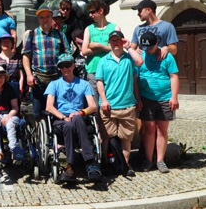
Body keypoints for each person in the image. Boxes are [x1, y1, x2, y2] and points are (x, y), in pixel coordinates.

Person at [45, 53, 101, 182]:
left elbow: (93, 106)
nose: (65, 68)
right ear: (59, 68)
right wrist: (64, 117)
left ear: (73, 66)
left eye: (68, 65)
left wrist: (80, 113)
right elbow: (49, 107)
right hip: (61, 120)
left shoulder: (84, 84)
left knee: (76, 119)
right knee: (69, 124)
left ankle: (73, 167)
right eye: (62, 66)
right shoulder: (54, 84)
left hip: (79, 118)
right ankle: (87, 163)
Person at [95, 30, 143, 176]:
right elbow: (99, 82)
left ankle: (125, 165)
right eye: (113, 41)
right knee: (106, 138)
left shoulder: (129, 58)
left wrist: (129, 47)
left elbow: (140, 62)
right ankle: (105, 163)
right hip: (108, 106)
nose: (116, 43)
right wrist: (104, 99)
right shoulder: (104, 61)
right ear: (109, 43)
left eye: (118, 40)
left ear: (122, 41)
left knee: (126, 138)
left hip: (127, 105)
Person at [135, 32, 180, 174]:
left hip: (165, 98)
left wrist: (174, 97)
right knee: (149, 129)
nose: (148, 50)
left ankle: (160, 160)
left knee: (162, 130)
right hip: (146, 98)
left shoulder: (167, 56)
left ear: (157, 44)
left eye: (150, 47)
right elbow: (136, 79)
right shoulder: (140, 56)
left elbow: (174, 76)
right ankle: (148, 160)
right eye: (145, 47)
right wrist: (138, 98)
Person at [22, 5, 72, 120]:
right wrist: (29, 75)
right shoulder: (32, 35)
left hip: (57, 78)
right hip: (38, 78)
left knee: (58, 110)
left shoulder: (60, 35)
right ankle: (41, 135)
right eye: (42, 18)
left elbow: (68, 55)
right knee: (38, 112)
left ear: (52, 18)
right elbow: (26, 56)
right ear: (38, 20)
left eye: (48, 17)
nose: (45, 20)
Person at [82, 0, 120, 96]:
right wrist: (107, 47)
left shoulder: (115, 28)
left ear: (101, 11)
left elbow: (118, 49)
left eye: (92, 12)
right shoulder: (89, 29)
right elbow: (84, 51)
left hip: (110, 70)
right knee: (94, 106)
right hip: (93, 71)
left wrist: (97, 45)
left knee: (109, 103)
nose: (90, 15)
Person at [0, 33, 24, 98]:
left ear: (12, 44)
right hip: (0, 88)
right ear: (0, 44)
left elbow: (21, 76)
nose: (6, 44)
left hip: (14, 86)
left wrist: (20, 89)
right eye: (3, 42)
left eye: (8, 42)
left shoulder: (18, 58)